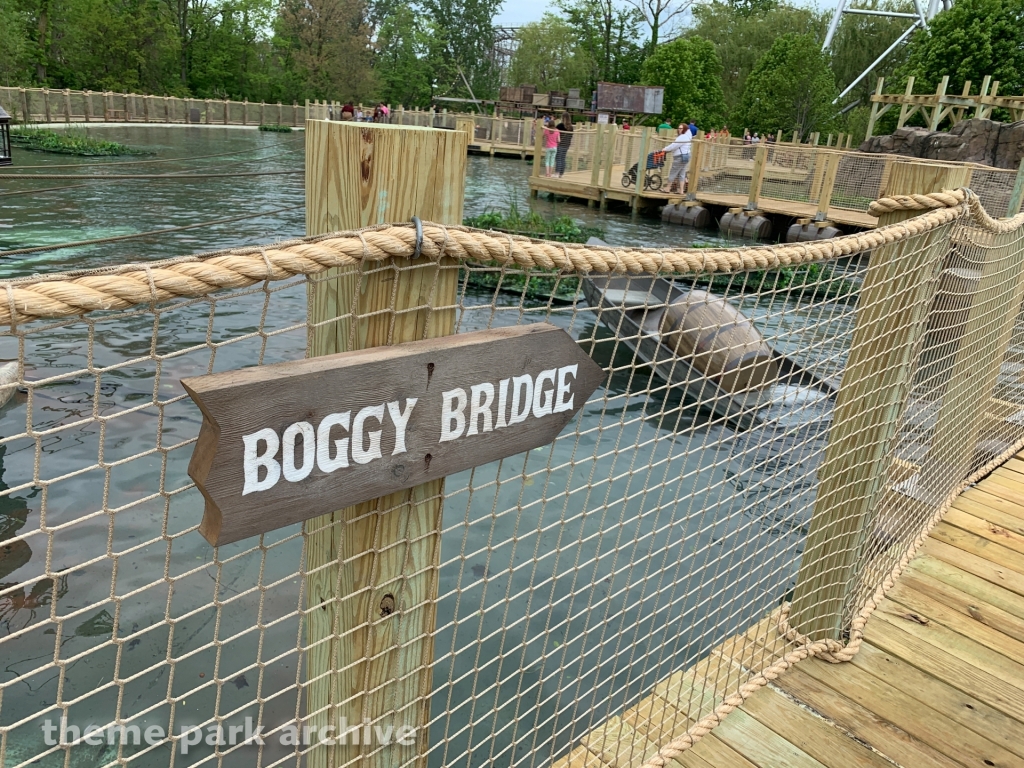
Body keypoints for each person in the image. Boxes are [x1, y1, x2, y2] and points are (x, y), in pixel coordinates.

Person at [665, 122, 692, 194]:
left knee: (673, 171)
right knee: (682, 173)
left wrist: (665, 149)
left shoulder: (683, 137)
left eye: (681, 128)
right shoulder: (688, 136)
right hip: (686, 156)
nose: (679, 130)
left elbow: (674, 145)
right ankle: (681, 190)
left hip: (680, 156)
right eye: (679, 128)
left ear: (684, 129)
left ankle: (667, 188)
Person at [555, 113, 574, 177]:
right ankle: (561, 174)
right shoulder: (571, 127)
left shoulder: (560, 126)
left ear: (563, 118)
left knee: (558, 158)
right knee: (563, 158)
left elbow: (554, 133)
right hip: (566, 145)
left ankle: (557, 173)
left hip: (560, 144)